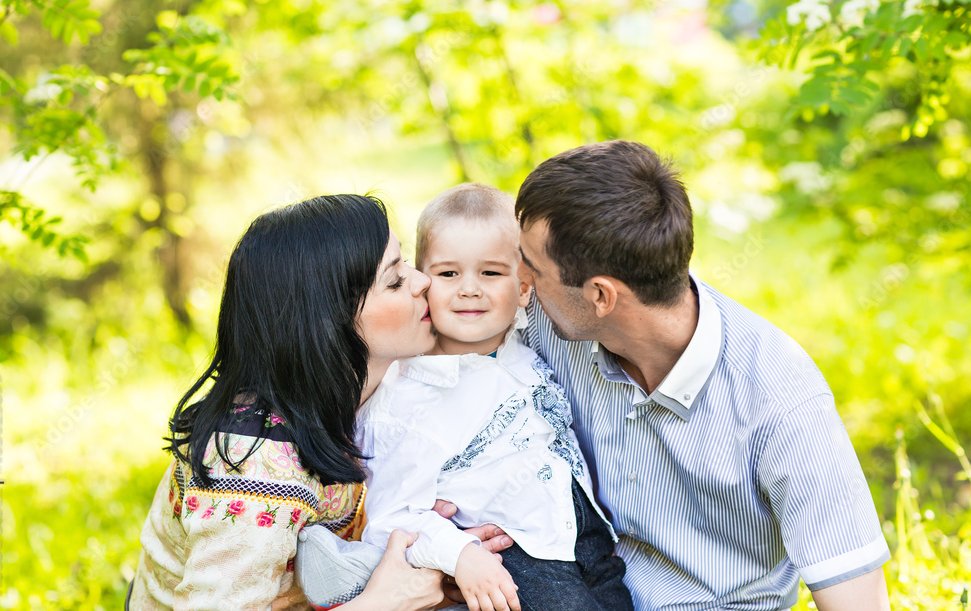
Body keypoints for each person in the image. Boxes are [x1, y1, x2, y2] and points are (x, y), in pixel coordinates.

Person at [505, 140, 892, 610]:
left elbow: (856, 597)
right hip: (576, 588)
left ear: (601, 296)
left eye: (533, 267)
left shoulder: (779, 395)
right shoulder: (547, 320)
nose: (517, 279)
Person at [128, 194, 448, 610]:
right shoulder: (254, 464)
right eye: (394, 280)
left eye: (404, 264)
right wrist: (386, 602)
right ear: (327, 324)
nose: (422, 281)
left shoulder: (364, 395)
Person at [355, 184, 633, 611]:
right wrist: (460, 555)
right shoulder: (405, 398)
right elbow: (389, 520)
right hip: (511, 556)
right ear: (423, 283)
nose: (469, 289)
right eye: (449, 274)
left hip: (586, 540)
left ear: (524, 289)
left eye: (490, 273)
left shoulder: (524, 340)